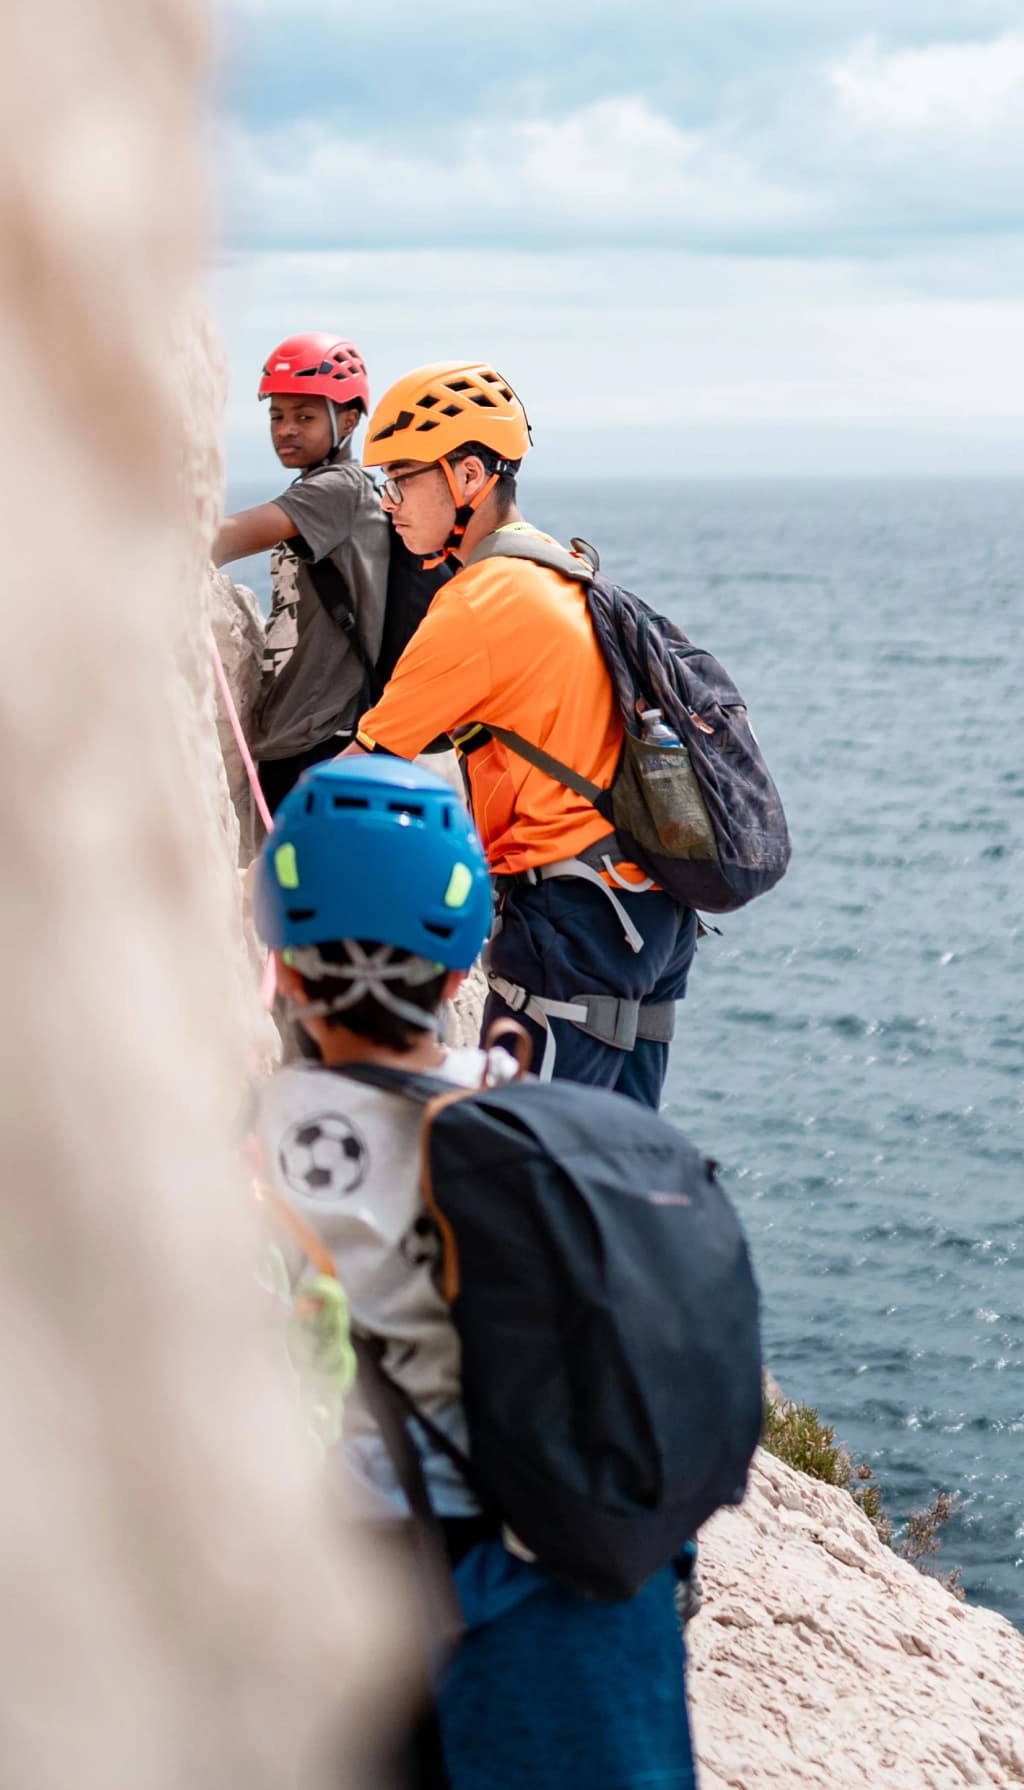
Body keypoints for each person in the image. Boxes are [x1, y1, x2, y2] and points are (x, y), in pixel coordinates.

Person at [250, 760, 700, 1790]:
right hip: (564, 1573)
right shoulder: (528, 1113)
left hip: (380, 1583)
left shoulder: (257, 1153)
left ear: (277, 964)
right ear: (457, 976)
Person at [349, 364, 694, 1104]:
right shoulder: (558, 566)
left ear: (467, 474)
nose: (389, 503)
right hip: (651, 910)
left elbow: (355, 780)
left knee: (522, 1170)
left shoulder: (479, 600)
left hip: (573, 923)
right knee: (611, 1166)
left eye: (402, 480)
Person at [210, 335, 444, 817]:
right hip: (299, 732)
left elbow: (222, 540)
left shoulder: (337, 489)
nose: (285, 430)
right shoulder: (328, 489)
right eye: (277, 416)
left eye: (304, 416)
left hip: (320, 738)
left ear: (349, 419)